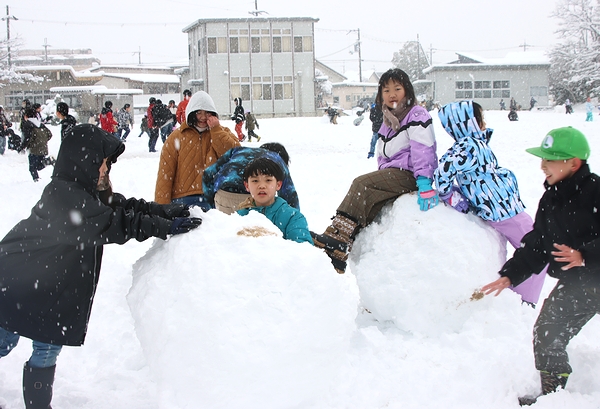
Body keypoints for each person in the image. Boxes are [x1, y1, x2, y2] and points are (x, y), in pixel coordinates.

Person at [0, 124, 201, 409]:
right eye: (103, 163)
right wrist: (164, 227)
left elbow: (123, 207)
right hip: (15, 283)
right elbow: (116, 223)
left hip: (46, 289)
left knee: (46, 349)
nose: (106, 169)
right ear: (85, 161)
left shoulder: (85, 192)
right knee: (4, 342)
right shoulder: (62, 196)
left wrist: (164, 211)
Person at [482, 127, 599, 406]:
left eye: (551, 159)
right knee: (548, 332)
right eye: (543, 158)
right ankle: (554, 394)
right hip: (581, 283)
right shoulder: (551, 199)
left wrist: (586, 255)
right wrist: (510, 275)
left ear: (574, 163)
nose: (542, 165)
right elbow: (539, 244)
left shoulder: (595, 192)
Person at [312, 68, 439, 273]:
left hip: (409, 175)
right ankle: (339, 253)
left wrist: (424, 181)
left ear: (407, 91)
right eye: (386, 90)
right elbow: (384, 154)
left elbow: (423, 148)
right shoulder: (387, 120)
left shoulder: (417, 114)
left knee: (362, 184)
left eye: (397, 88)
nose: (392, 94)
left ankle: (336, 237)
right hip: (392, 174)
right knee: (368, 208)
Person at [434, 100, 546, 305]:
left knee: (535, 248)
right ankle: (523, 299)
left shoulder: (472, 143)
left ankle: (518, 293)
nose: (483, 123)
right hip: (503, 209)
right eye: (480, 119)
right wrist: (449, 195)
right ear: (467, 123)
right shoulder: (470, 146)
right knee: (537, 250)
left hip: (504, 207)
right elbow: (443, 172)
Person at [154, 91, 240, 210]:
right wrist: (161, 208)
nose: (203, 117)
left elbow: (236, 156)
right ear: (191, 113)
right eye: (199, 113)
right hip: (182, 199)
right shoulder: (176, 137)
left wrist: (216, 131)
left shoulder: (221, 132)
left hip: (215, 198)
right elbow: (165, 173)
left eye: (207, 113)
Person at [203, 143, 299, 214]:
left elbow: (208, 173)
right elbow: (290, 195)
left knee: (228, 234)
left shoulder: (238, 151)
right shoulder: (277, 159)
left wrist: (209, 204)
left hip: (223, 196)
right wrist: (294, 220)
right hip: (252, 200)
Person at [237, 157, 313, 244]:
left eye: (268, 180)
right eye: (255, 181)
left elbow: (303, 249)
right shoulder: (240, 216)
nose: (262, 186)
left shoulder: (293, 217)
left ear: (278, 184)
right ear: (247, 186)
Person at [20, 107, 55, 182]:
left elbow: (27, 138)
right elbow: (49, 134)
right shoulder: (40, 124)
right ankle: (48, 160)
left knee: (32, 168)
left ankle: (36, 180)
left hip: (34, 149)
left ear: (26, 116)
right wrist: (43, 140)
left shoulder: (28, 124)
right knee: (39, 165)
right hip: (43, 147)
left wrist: (22, 147)